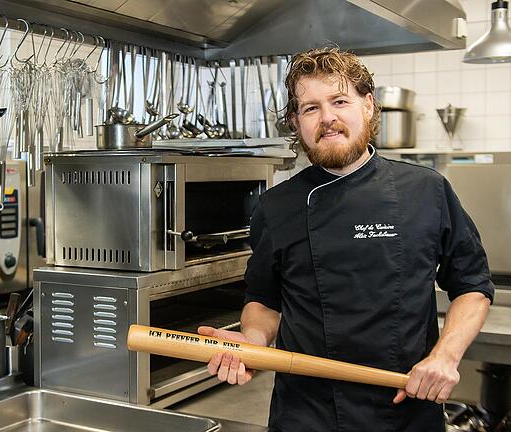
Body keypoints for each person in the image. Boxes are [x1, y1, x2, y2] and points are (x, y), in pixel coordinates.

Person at [198, 47, 494, 431]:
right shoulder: (276, 206)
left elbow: (472, 286)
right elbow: (264, 301)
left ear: (368, 106)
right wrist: (252, 342)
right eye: (310, 108)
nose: (328, 118)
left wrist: (445, 357)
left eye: (339, 101)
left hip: (404, 407)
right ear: (295, 121)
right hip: (307, 414)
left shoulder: (427, 191)